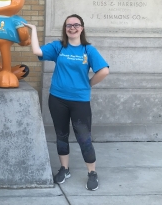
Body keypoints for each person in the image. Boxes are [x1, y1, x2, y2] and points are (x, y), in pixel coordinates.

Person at [24, 14, 109, 191]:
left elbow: (104, 71)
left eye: (76, 25)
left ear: (82, 28)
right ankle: (64, 168)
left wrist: (88, 84)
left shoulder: (88, 50)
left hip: (80, 101)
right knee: (61, 135)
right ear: (65, 29)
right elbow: (37, 51)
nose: (72, 27)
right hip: (57, 99)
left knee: (84, 138)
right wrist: (32, 30)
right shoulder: (58, 47)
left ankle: (92, 172)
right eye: (69, 25)